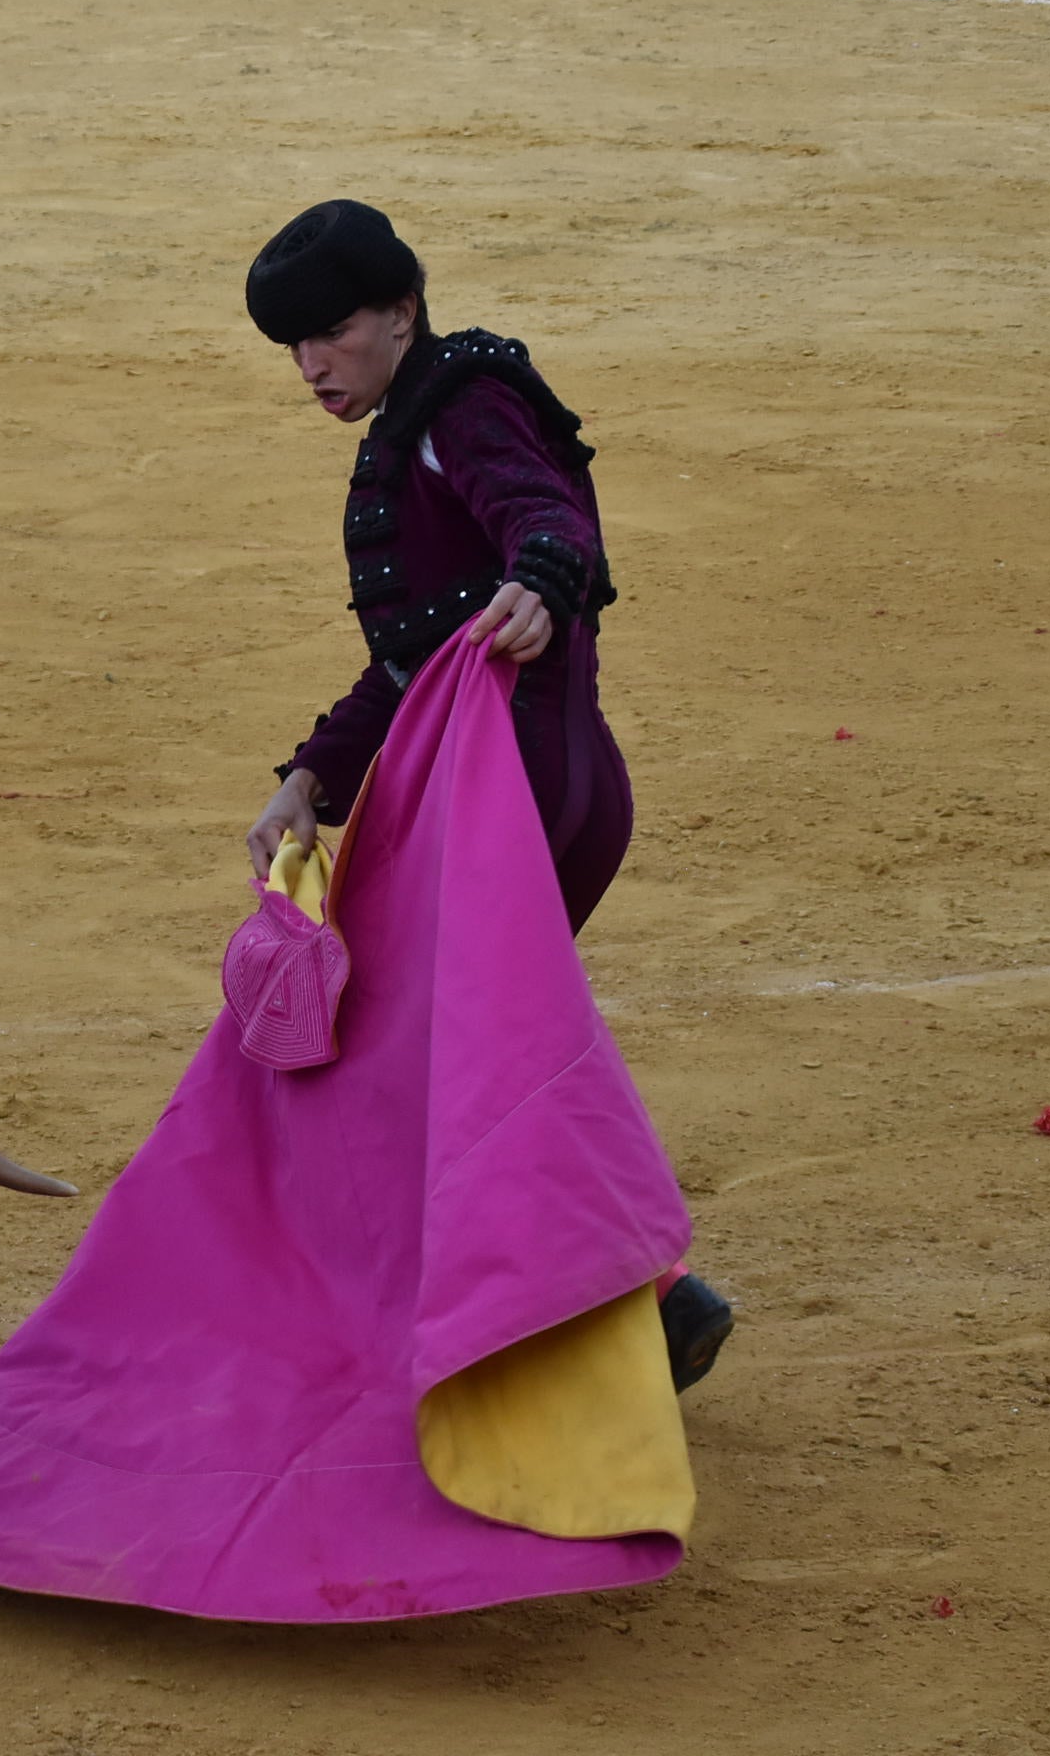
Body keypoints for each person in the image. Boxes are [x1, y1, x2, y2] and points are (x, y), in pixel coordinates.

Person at [236, 197, 730, 1390]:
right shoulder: (408, 426)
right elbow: (410, 659)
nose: (311, 365)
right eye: (292, 345)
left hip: (524, 801)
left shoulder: (463, 405)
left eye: (332, 332)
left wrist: (549, 577)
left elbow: (543, 514)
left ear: (401, 311)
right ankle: (639, 1302)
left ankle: (639, 1300)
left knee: (445, 1051)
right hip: (484, 798)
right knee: (448, 1051)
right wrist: (313, 770)